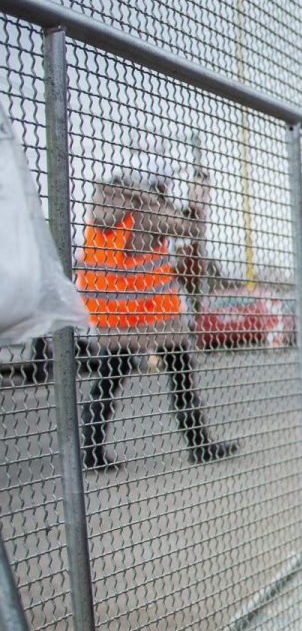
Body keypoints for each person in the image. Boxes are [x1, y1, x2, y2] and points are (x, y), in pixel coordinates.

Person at [75, 157, 236, 471]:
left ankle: (91, 451)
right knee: (181, 376)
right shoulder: (146, 207)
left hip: (116, 312)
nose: (166, 191)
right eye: (165, 185)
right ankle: (199, 445)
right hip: (154, 311)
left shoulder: (104, 209)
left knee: (109, 380)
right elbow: (192, 227)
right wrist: (200, 191)